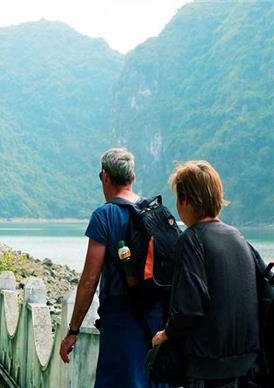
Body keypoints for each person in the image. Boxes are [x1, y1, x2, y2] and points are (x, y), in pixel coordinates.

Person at [59, 148, 164, 387]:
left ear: (105, 176)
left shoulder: (104, 216)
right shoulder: (155, 212)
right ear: (133, 178)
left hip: (121, 319)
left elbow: (89, 279)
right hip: (156, 320)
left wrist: (73, 330)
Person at [151, 161, 260, 386]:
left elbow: (189, 309)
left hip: (208, 368)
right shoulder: (238, 237)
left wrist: (165, 334)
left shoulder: (192, 239)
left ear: (186, 200)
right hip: (246, 366)